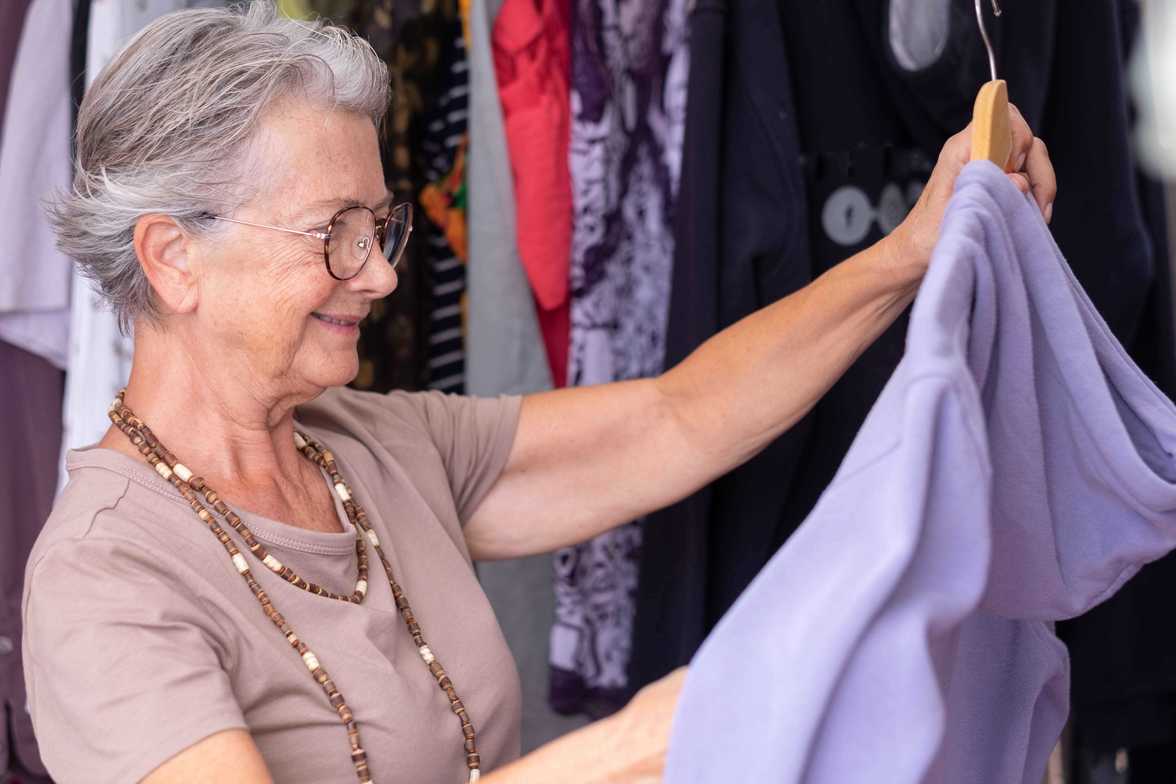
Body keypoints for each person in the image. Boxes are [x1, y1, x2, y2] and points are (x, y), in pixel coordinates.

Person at [21, 3, 1055, 783]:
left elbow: (676, 417)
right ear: (173, 258)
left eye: (379, 228)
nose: (379, 275)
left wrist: (908, 250)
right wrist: (631, 746)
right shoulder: (105, 581)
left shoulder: (369, 447)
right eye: (334, 232)